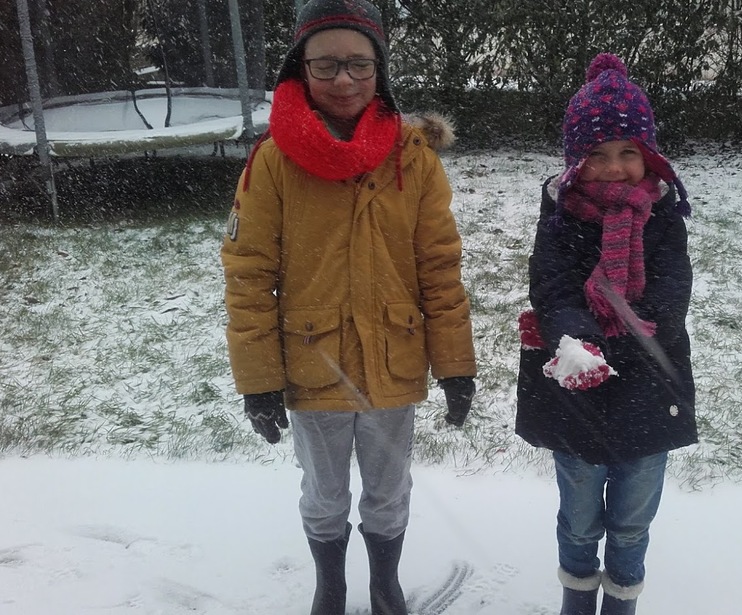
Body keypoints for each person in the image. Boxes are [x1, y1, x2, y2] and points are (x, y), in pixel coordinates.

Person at [220, 1, 477, 614]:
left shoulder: (412, 157)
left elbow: (438, 268)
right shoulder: (275, 159)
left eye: (358, 64)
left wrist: (455, 365)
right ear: (300, 69)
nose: (343, 80)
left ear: (380, 69)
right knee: (324, 493)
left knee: (389, 491)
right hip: (315, 362)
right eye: (326, 64)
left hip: (393, 358)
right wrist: (258, 380)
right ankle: (329, 583)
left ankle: (384, 580)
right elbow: (249, 274)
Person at [515, 53, 698, 615]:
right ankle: (576, 597)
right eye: (598, 154)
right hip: (580, 389)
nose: (614, 167)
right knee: (578, 516)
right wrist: (574, 338)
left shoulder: (662, 216)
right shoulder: (560, 216)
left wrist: (636, 326)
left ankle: (622, 599)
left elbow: (671, 285)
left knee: (631, 519)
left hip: (648, 382)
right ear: (576, 160)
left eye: (628, 153)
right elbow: (553, 287)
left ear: (649, 157)